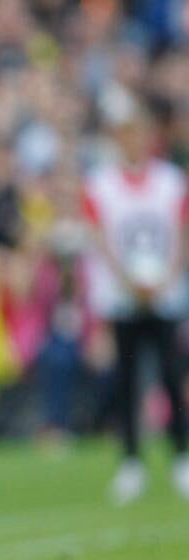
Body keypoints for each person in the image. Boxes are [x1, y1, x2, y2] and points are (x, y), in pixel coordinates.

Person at [81, 88, 189, 503]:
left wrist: (166, 278)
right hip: (122, 296)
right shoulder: (101, 184)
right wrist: (127, 280)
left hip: (165, 295)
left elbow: (180, 235)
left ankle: (180, 457)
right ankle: (131, 463)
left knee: (171, 375)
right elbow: (99, 236)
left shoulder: (170, 181)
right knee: (125, 382)